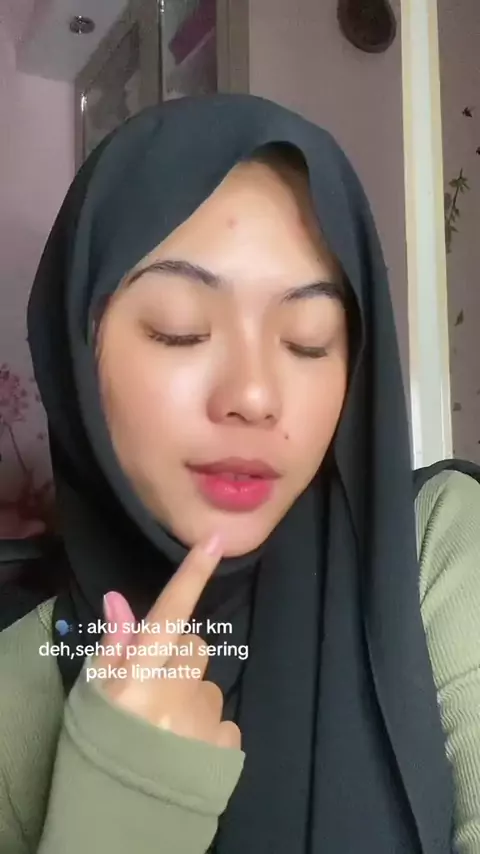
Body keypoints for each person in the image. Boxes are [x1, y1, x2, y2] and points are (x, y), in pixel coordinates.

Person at [0, 93, 479, 854]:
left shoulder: (441, 549)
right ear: (76, 353)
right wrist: (118, 804)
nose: (254, 396)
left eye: (309, 340)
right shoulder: (15, 690)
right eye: (180, 330)